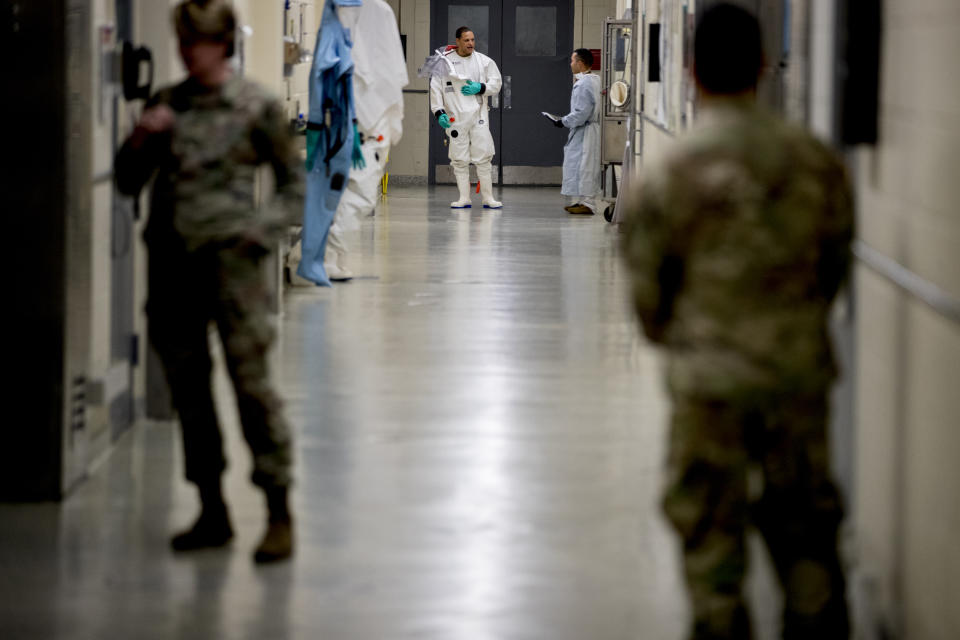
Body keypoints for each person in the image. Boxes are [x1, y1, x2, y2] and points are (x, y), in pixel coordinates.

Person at [621, 4, 853, 638]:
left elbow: (649, 303)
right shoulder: (814, 162)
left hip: (708, 385)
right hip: (796, 378)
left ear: (691, 71)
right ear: (760, 66)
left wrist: (700, 339)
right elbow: (833, 270)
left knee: (711, 541)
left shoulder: (666, 174)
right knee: (808, 539)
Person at [115, 0, 302, 563]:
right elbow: (126, 183)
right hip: (174, 269)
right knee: (190, 394)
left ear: (221, 45)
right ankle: (212, 509)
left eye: (196, 43)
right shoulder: (166, 104)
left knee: (251, 387)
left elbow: (295, 189)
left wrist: (258, 231)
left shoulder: (256, 107)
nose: (186, 53)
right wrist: (142, 138)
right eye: (182, 42)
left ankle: (277, 510)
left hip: (234, 268)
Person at [429, 26, 503, 209]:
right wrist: (439, 113)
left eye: (472, 40)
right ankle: (464, 198)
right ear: (458, 42)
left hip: (478, 115)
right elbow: (435, 89)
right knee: (459, 159)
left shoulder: (484, 61)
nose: (471, 43)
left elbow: (496, 82)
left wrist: (481, 87)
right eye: (466, 40)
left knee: (483, 157)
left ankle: (488, 198)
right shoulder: (444, 63)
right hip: (455, 118)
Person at [555, 49, 604, 216]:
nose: (570, 64)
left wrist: (563, 121)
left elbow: (581, 112)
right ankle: (584, 201)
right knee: (581, 165)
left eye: (572, 61)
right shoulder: (593, 80)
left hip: (586, 130)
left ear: (580, 63)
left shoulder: (584, 84)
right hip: (587, 129)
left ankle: (589, 203)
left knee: (586, 166)